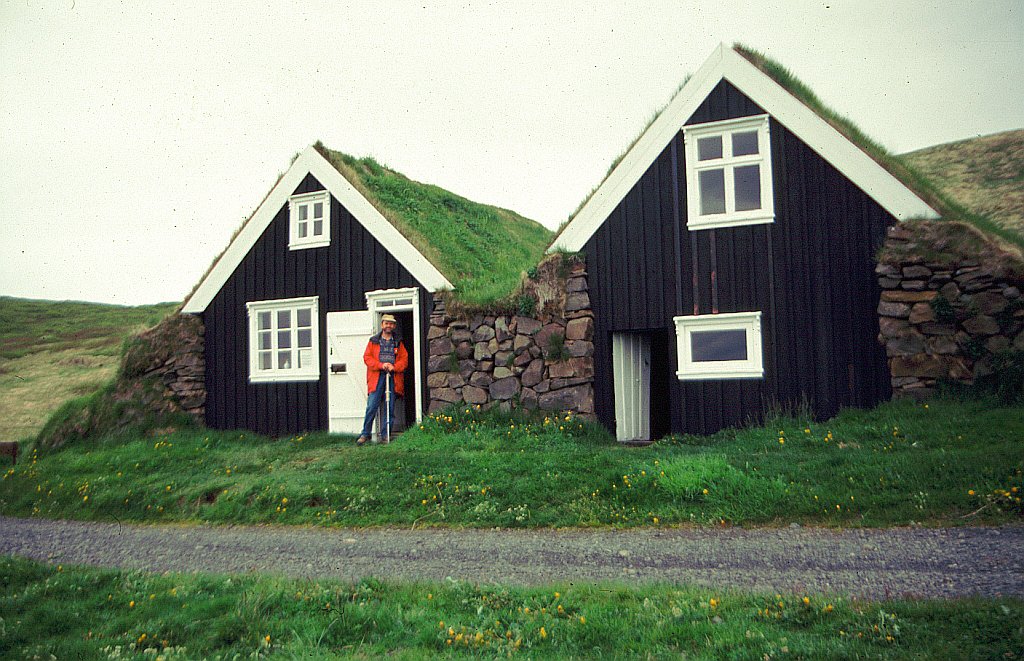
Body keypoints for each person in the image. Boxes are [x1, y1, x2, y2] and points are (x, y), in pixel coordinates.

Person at [357, 313, 408, 445]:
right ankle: (365, 434)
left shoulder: (398, 342)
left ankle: (386, 435)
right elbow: (367, 358)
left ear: (394, 326)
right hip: (376, 376)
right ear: (382, 325)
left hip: (392, 377)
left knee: (389, 406)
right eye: (386, 323)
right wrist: (381, 365)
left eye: (391, 323)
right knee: (372, 406)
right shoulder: (373, 341)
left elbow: (404, 360)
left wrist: (394, 367)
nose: (388, 326)